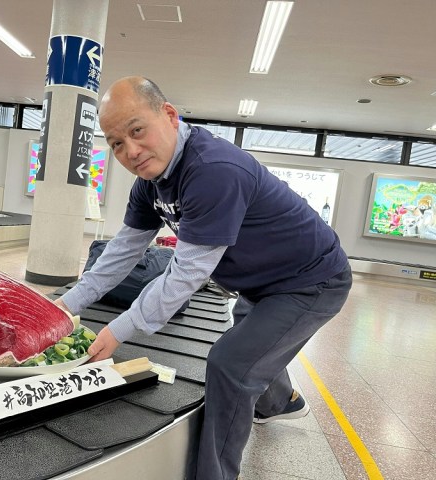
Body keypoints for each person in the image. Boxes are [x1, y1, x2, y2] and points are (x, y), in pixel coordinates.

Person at [54, 76, 352, 480]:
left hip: (311, 280)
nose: (131, 151)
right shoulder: (150, 183)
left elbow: (187, 272)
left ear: (169, 115)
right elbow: (121, 252)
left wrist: (117, 330)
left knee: (231, 365)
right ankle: (281, 402)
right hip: (261, 281)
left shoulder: (214, 170)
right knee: (253, 341)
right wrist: (61, 308)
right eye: (116, 143)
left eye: (137, 131)